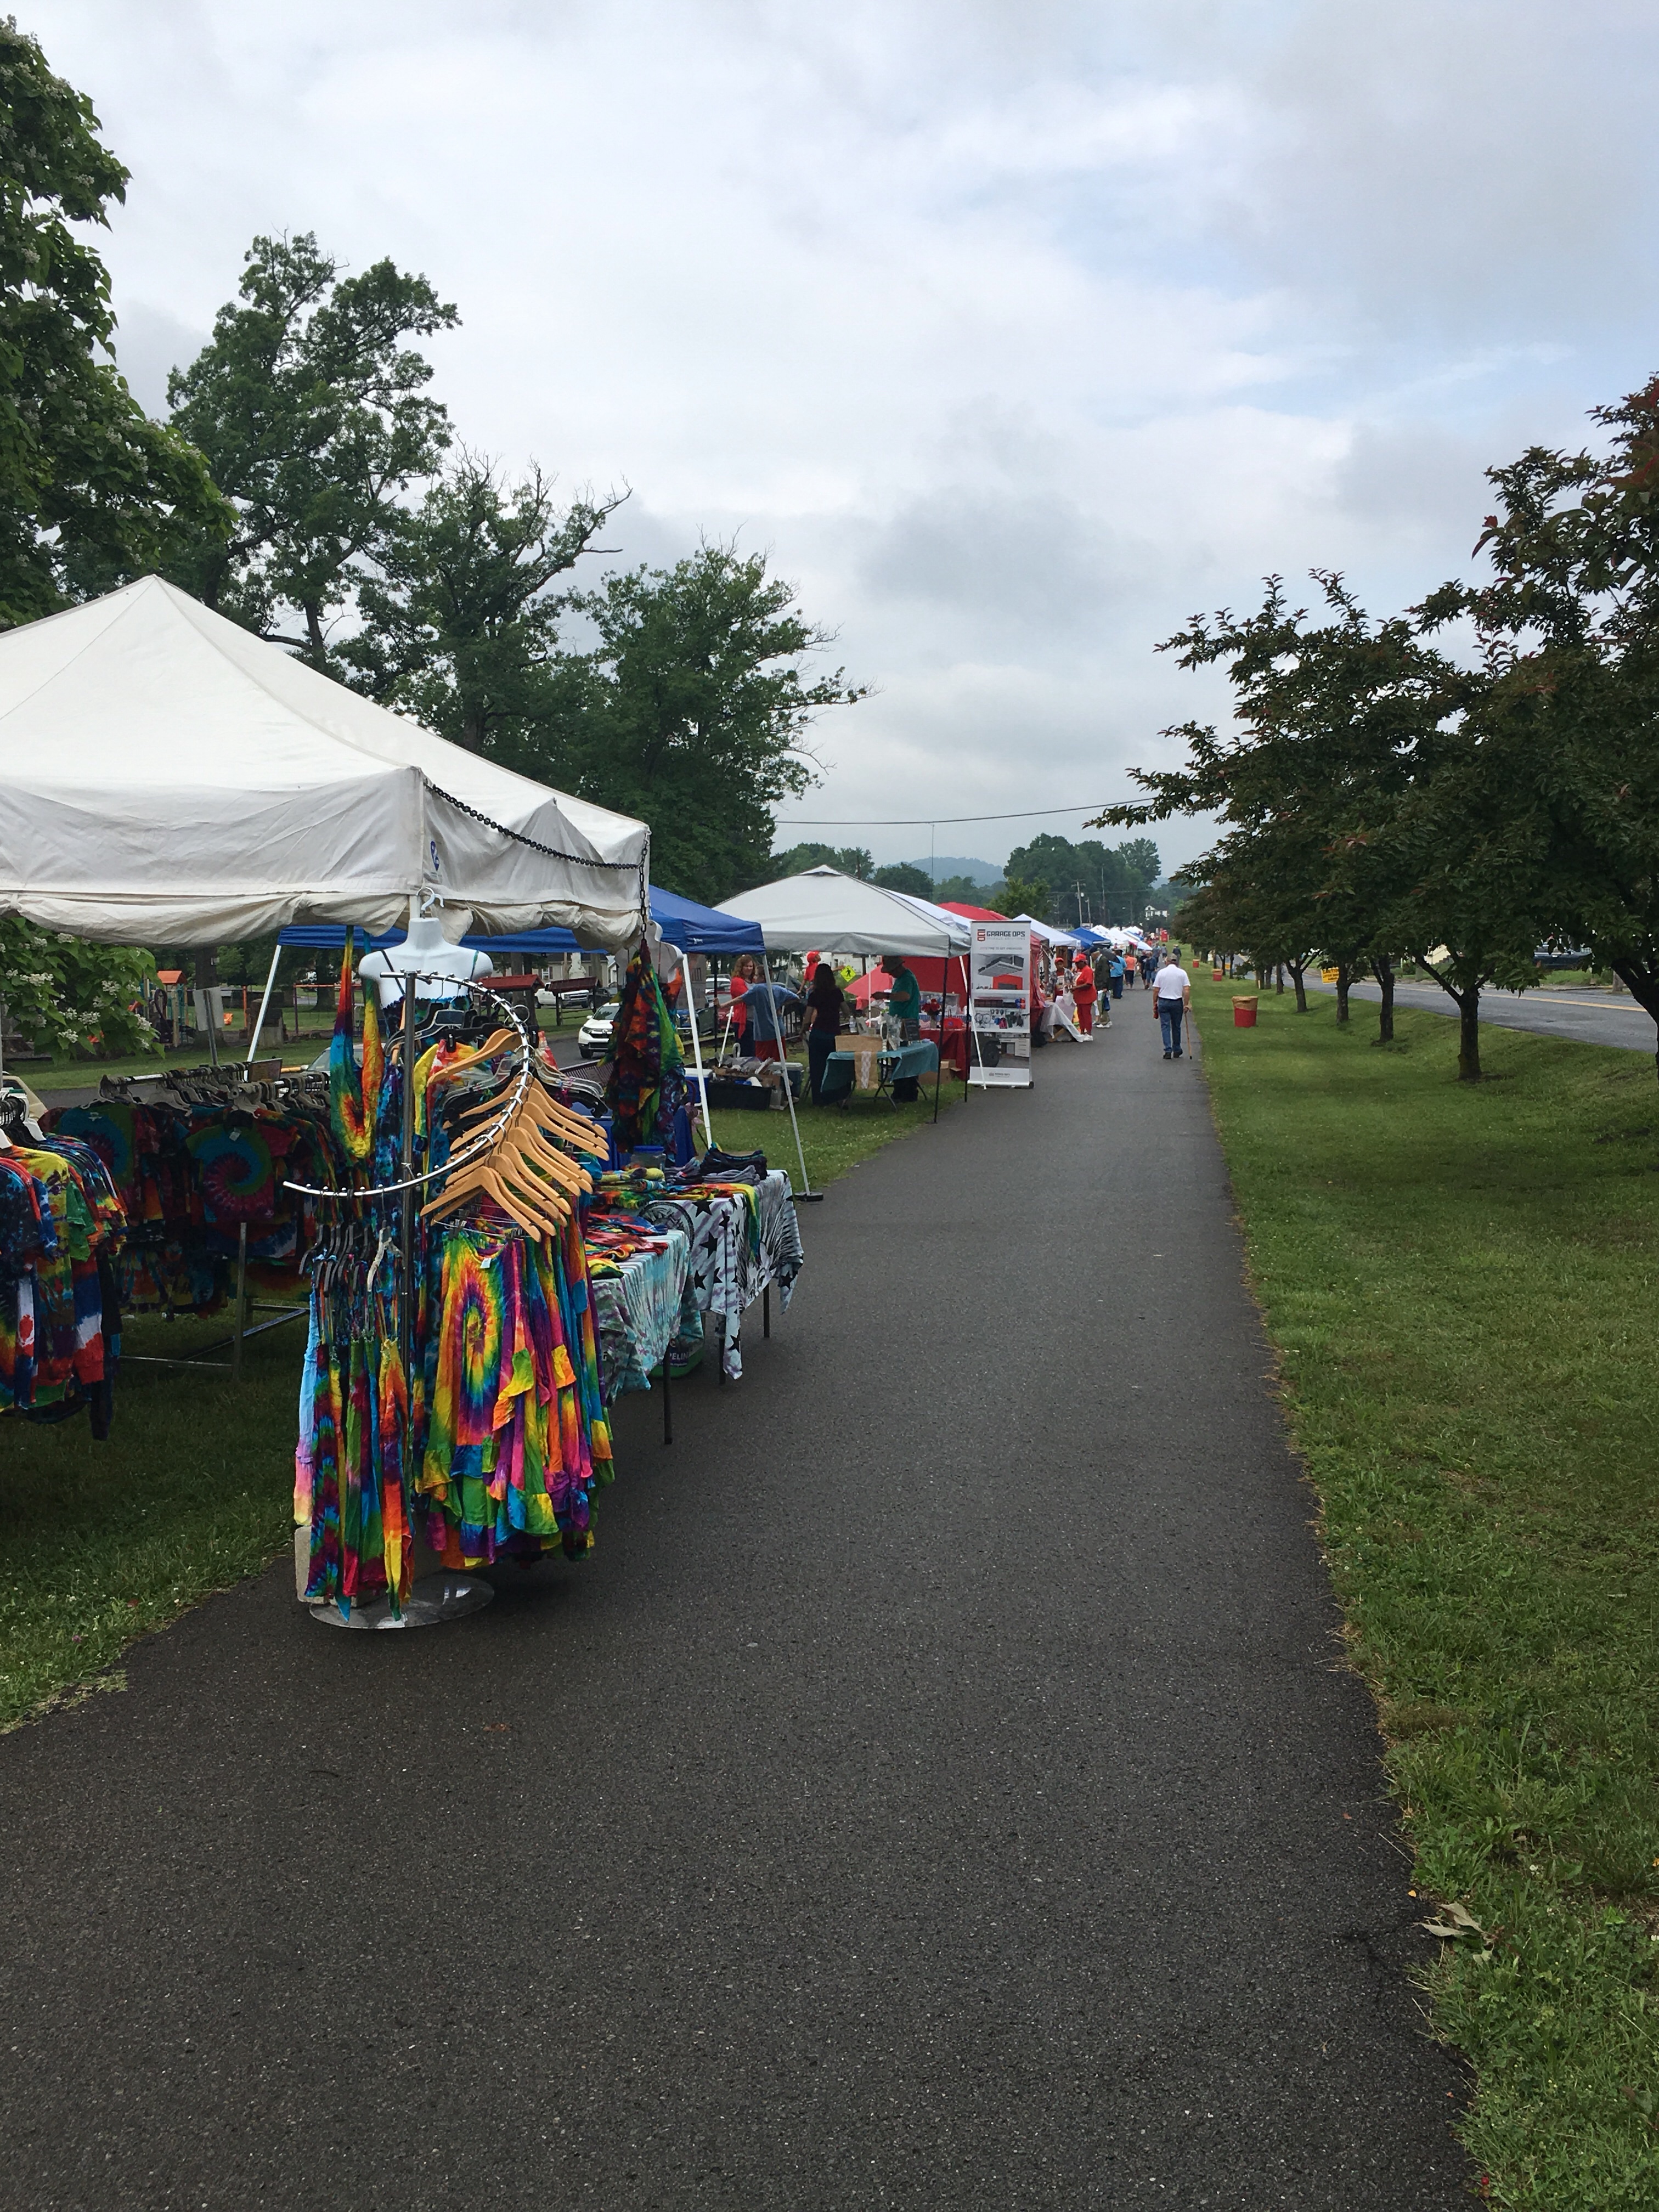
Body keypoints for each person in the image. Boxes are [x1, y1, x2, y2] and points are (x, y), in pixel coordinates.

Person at [805, 960, 845, 1103]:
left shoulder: (814, 994)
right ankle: (835, 1095)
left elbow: (808, 1016)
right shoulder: (837, 992)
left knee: (817, 1067)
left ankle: (819, 1097)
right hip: (834, 1033)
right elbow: (847, 1011)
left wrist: (803, 1030)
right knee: (835, 1066)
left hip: (818, 1032)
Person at [1154, 950, 1192, 1059]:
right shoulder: (1182, 973)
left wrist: (1155, 1002)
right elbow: (1187, 990)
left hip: (1164, 1001)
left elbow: (1156, 990)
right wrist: (1186, 1004)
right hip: (1177, 1002)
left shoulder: (1161, 973)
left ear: (1167, 962)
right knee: (1176, 1026)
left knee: (1165, 1026)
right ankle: (1177, 1049)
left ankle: (1168, 1049)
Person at [884, 953, 922, 1041]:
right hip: (901, 1022)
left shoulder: (907, 978)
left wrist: (885, 996)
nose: (890, 974)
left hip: (906, 1023)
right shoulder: (900, 978)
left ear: (897, 968)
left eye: (891, 971)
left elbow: (905, 996)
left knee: (906, 1046)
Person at [1071, 950, 1098, 1034]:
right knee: (1080, 1014)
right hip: (1079, 997)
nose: (1076, 965)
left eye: (1078, 963)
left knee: (1086, 1015)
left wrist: (1076, 988)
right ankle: (1082, 1031)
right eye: (1076, 963)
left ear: (1083, 962)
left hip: (1086, 997)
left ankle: (1088, 1032)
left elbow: (1088, 984)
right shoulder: (1080, 970)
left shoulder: (1088, 970)